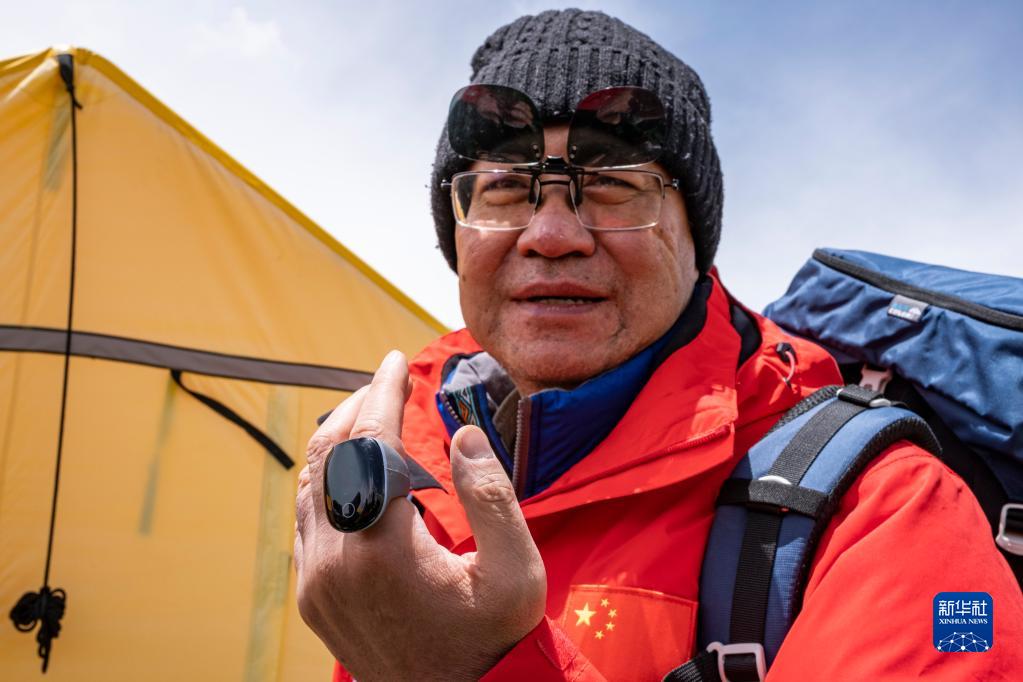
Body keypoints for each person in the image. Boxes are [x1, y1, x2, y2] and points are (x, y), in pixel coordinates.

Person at [293, 9, 1023, 681]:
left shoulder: (890, 506)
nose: (551, 235)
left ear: (694, 238)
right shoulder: (391, 477)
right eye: (507, 189)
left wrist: (469, 667)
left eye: (613, 185)